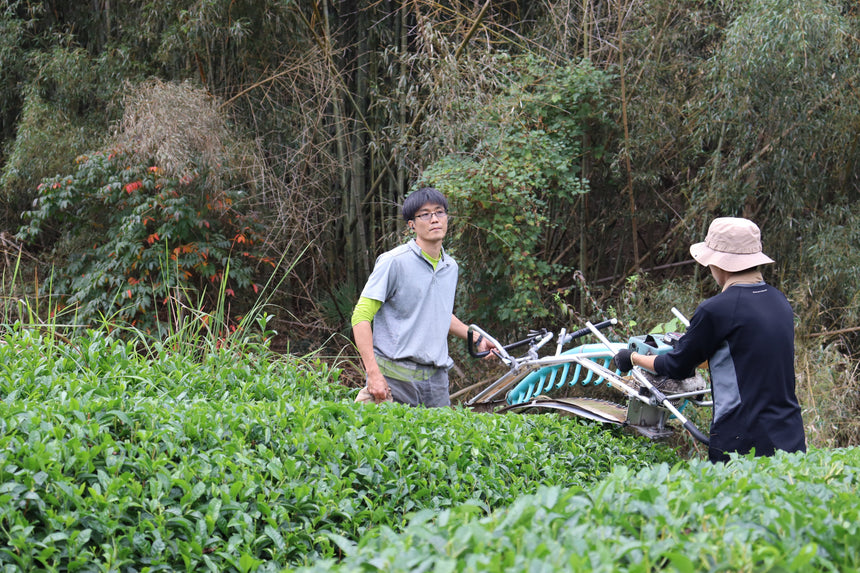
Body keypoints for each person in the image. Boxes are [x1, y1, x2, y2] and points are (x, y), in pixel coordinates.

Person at [614, 217, 806, 463]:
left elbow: (676, 366)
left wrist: (632, 358)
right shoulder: (779, 301)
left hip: (742, 441)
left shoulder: (716, 310)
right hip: (789, 436)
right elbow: (747, 356)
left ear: (719, 264)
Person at [351, 187, 495, 407]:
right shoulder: (394, 262)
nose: (434, 219)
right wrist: (373, 374)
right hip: (394, 381)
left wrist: (476, 338)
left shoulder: (450, 267)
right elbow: (360, 316)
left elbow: (438, 313)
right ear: (412, 224)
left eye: (439, 212)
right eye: (425, 214)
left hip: (436, 384)